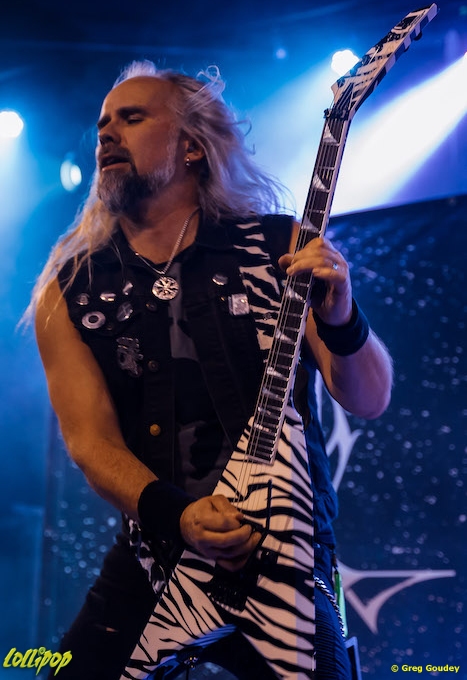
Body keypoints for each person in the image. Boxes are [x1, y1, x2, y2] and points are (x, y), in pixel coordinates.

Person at [30, 61, 393, 680]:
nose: (107, 133)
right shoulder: (72, 289)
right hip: (156, 548)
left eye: (132, 117)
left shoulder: (277, 247)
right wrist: (178, 516)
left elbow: (369, 396)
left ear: (192, 146)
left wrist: (342, 315)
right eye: (103, 123)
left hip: (286, 549)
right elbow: (90, 443)